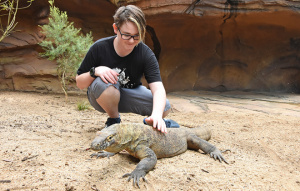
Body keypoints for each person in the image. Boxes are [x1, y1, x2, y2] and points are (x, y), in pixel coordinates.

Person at [76, 5, 179, 133]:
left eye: (137, 36)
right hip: (101, 96)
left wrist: (157, 115)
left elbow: (158, 88)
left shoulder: (145, 53)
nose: (131, 41)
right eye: (127, 35)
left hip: (128, 95)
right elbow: (79, 83)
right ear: (115, 28)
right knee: (105, 84)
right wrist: (95, 71)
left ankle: (150, 121)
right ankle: (114, 120)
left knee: (164, 107)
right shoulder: (99, 48)